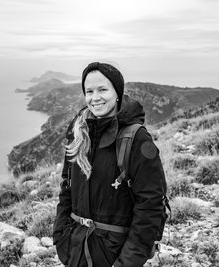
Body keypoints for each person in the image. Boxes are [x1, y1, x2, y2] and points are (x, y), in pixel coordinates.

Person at [53, 62, 167, 267]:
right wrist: (60, 237)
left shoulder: (136, 139)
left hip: (115, 256)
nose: (95, 98)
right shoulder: (78, 133)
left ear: (117, 93)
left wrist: (127, 262)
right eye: (89, 91)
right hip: (76, 250)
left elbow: (151, 206)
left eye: (102, 90)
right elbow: (66, 187)